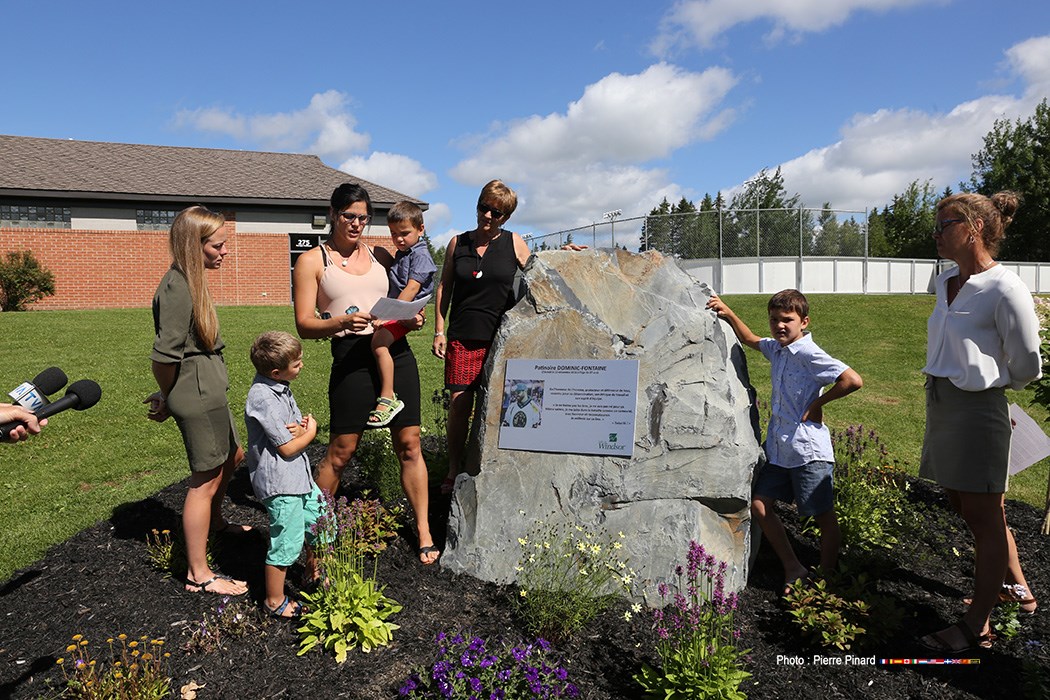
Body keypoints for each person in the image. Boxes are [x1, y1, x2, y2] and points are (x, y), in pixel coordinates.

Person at [918, 191, 1041, 653]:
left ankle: (976, 626)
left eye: (944, 225)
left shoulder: (1005, 288)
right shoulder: (944, 280)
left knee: (985, 516)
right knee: (962, 503)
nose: (936, 234)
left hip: (978, 407)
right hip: (942, 403)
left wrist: (990, 383)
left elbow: (1029, 364)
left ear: (973, 228)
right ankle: (1016, 588)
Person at [292, 183, 439, 565]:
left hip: (394, 351)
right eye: (348, 216)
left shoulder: (381, 255)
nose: (356, 224)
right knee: (341, 452)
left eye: (362, 217)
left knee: (410, 444)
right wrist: (342, 320)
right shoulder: (312, 261)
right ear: (332, 214)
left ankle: (423, 530)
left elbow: (402, 299)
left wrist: (415, 317)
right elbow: (305, 325)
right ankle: (318, 537)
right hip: (351, 356)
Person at [707, 289, 863, 594]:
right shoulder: (777, 350)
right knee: (760, 505)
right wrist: (727, 311)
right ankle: (793, 566)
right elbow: (751, 339)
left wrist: (818, 404)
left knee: (822, 516)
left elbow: (852, 380)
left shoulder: (809, 353)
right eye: (774, 319)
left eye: (787, 320)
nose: (780, 325)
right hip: (779, 450)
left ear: (804, 321)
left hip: (808, 451)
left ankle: (826, 578)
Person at [145, 205, 249, 596]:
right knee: (204, 481)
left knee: (233, 455)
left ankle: (217, 523)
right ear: (195, 245)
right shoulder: (177, 287)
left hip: (208, 387)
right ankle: (199, 574)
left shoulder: (192, 280)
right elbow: (164, 356)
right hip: (196, 393)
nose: (225, 252)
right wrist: (168, 396)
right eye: (218, 246)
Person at [431, 180, 534, 494]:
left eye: (497, 213)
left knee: (503, 406)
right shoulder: (457, 243)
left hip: (501, 341)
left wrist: (565, 254)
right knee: (459, 405)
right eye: (483, 208)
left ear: (506, 218)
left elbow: (538, 274)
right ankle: (453, 468)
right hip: (463, 338)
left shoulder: (514, 242)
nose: (488, 216)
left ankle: (495, 465)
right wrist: (439, 329)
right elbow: (444, 287)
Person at [244, 331, 320, 619]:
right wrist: (310, 433)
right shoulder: (263, 398)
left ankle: (313, 574)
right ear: (276, 371)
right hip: (282, 483)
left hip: (300, 478)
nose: (302, 366)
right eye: (297, 364)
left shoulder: (281, 385)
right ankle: (274, 601)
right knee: (287, 541)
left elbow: (291, 430)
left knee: (322, 523)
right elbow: (287, 449)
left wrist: (300, 428)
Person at [368, 201, 437, 428]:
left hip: (407, 310)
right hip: (401, 308)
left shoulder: (420, 256)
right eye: (394, 234)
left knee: (379, 343)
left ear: (421, 229)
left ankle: (388, 397)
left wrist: (388, 315)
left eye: (404, 233)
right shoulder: (404, 252)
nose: (398, 239)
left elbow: (411, 289)